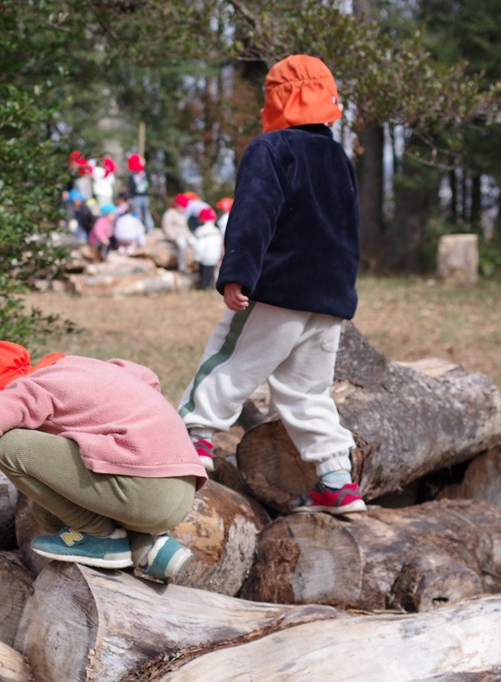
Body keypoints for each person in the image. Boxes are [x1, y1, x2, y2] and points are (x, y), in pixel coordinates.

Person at [177, 54, 365, 515]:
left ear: (278, 100)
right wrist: (341, 289)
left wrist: (238, 271)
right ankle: (336, 477)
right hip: (329, 300)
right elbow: (347, 225)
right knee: (307, 393)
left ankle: (191, 441)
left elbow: (254, 211)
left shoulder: (272, 148)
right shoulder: (337, 157)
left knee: (228, 364)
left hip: (279, 289)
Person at [0, 340, 206, 582]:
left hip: (147, 493)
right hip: (183, 483)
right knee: (46, 507)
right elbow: (147, 377)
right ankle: (148, 546)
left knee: (12, 447)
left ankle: (100, 537)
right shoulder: (79, 368)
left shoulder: (26, 390)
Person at [187, 206, 222, 290]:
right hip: (215, 257)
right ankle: (210, 286)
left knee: (205, 274)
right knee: (211, 274)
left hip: (205, 257)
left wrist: (197, 257)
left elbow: (198, 246)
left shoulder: (200, 231)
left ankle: (205, 287)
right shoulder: (216, 230)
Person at [161, 193, 193, 273]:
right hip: (175, 236)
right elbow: (166, 228)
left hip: (185, 235)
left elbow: (186, 228)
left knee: (195, 242)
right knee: (182, 244)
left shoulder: (183, 215)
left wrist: (190, 235)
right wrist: (174, 237)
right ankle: (182, 266)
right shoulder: (169, 213)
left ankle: (196, 263)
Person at [127, 153, 154, 233]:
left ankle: (149, 228)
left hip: (145, 196)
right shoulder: (132, 173)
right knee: (137, 213)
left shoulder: (144, 171)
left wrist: (143, 165)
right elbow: (131, 186)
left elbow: (149, 180)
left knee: (146, 212)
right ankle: (139, 229)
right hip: (136, 196)